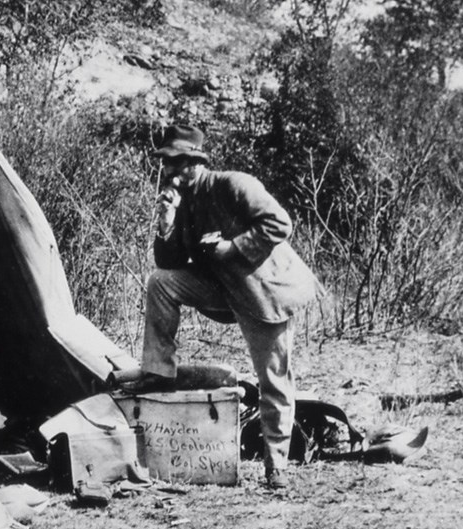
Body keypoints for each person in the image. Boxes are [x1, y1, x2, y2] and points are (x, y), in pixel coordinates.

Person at [124, 124, 323, 490]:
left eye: (171, 163)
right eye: (165, 164)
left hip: (264, 292)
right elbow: (169, 263)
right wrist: (166, 224)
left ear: (191, 163)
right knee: (161, 282)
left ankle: (275, 465)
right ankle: (159, 371)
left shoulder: (233, 184)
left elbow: (281, 223)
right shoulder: (183, 201)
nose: (165, 172)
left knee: (273, 379)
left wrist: (232, 247)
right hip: (222, 290)